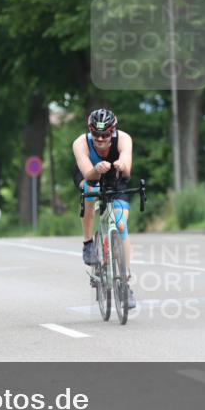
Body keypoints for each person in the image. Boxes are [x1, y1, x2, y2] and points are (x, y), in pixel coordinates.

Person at [72, 108, 138, 309]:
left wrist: (120, 165)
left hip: (116, 179)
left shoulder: (124, 139)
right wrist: (96, 169)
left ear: (113, 131)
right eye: (96, 135)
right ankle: (88, 243)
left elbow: (127, 167)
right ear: (90, 131)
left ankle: (125, 283)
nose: (100, 139)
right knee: (90, 194)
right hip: (90, 174)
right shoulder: (80, 143)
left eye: (105, 135)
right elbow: (86, 172)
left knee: (120, 224)